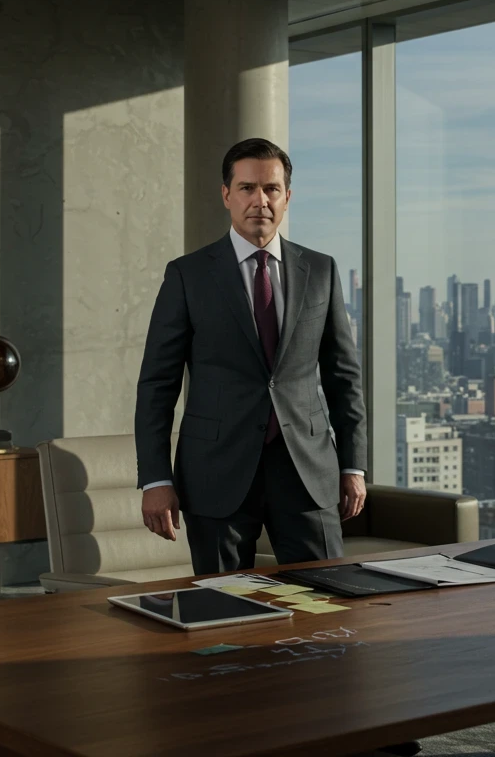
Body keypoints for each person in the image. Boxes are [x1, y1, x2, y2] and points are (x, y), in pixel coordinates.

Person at [134, 137, 367, 574]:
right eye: (246, 188)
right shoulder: (188, 275)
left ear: (287, 197)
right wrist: (156, 479)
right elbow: (157, 385)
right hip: (215, 472)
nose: (259, 200)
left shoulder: (321, 271)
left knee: (329, 605)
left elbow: (343, 378)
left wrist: (353, 465)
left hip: (306, 471)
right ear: (226, 195)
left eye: (271, 189)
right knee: (225, 614)